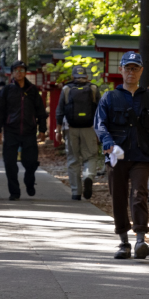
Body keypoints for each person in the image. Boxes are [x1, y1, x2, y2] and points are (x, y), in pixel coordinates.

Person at [94, 51, 149, 260]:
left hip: (142, 155)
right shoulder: (109, 97)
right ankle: (123, 242)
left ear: (141, 71)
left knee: (139, 193)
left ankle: (141, 239)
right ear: (120, 70)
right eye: (127, 68)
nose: (131, 72)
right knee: (118, 198)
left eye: (135, 68)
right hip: (117, 156)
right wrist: (107, 142)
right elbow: (100, 124)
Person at [57, 64, 103, 200]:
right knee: (91, 156)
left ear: (73, 77)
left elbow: (59, 110)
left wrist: (57, 130)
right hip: (89, 127)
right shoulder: (93, 88)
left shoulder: (66, 89)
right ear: (86, 77)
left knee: (73, 159)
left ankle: (76, 192)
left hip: (70, 127)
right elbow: (100, 110)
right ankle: (88, 176)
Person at [0, 63, 44, 199]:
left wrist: (42, 129)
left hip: (29, 131)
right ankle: (14, 191)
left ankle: (29, 181)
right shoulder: (7, 90)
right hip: (11, 130)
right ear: (12, 73)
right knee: (9, 162)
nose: (19, 73)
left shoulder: (32, 90)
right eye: (16, 71)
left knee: (30, 162)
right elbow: (0, 111)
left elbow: (40, 110)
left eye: (21, 70)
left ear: (25, 73)